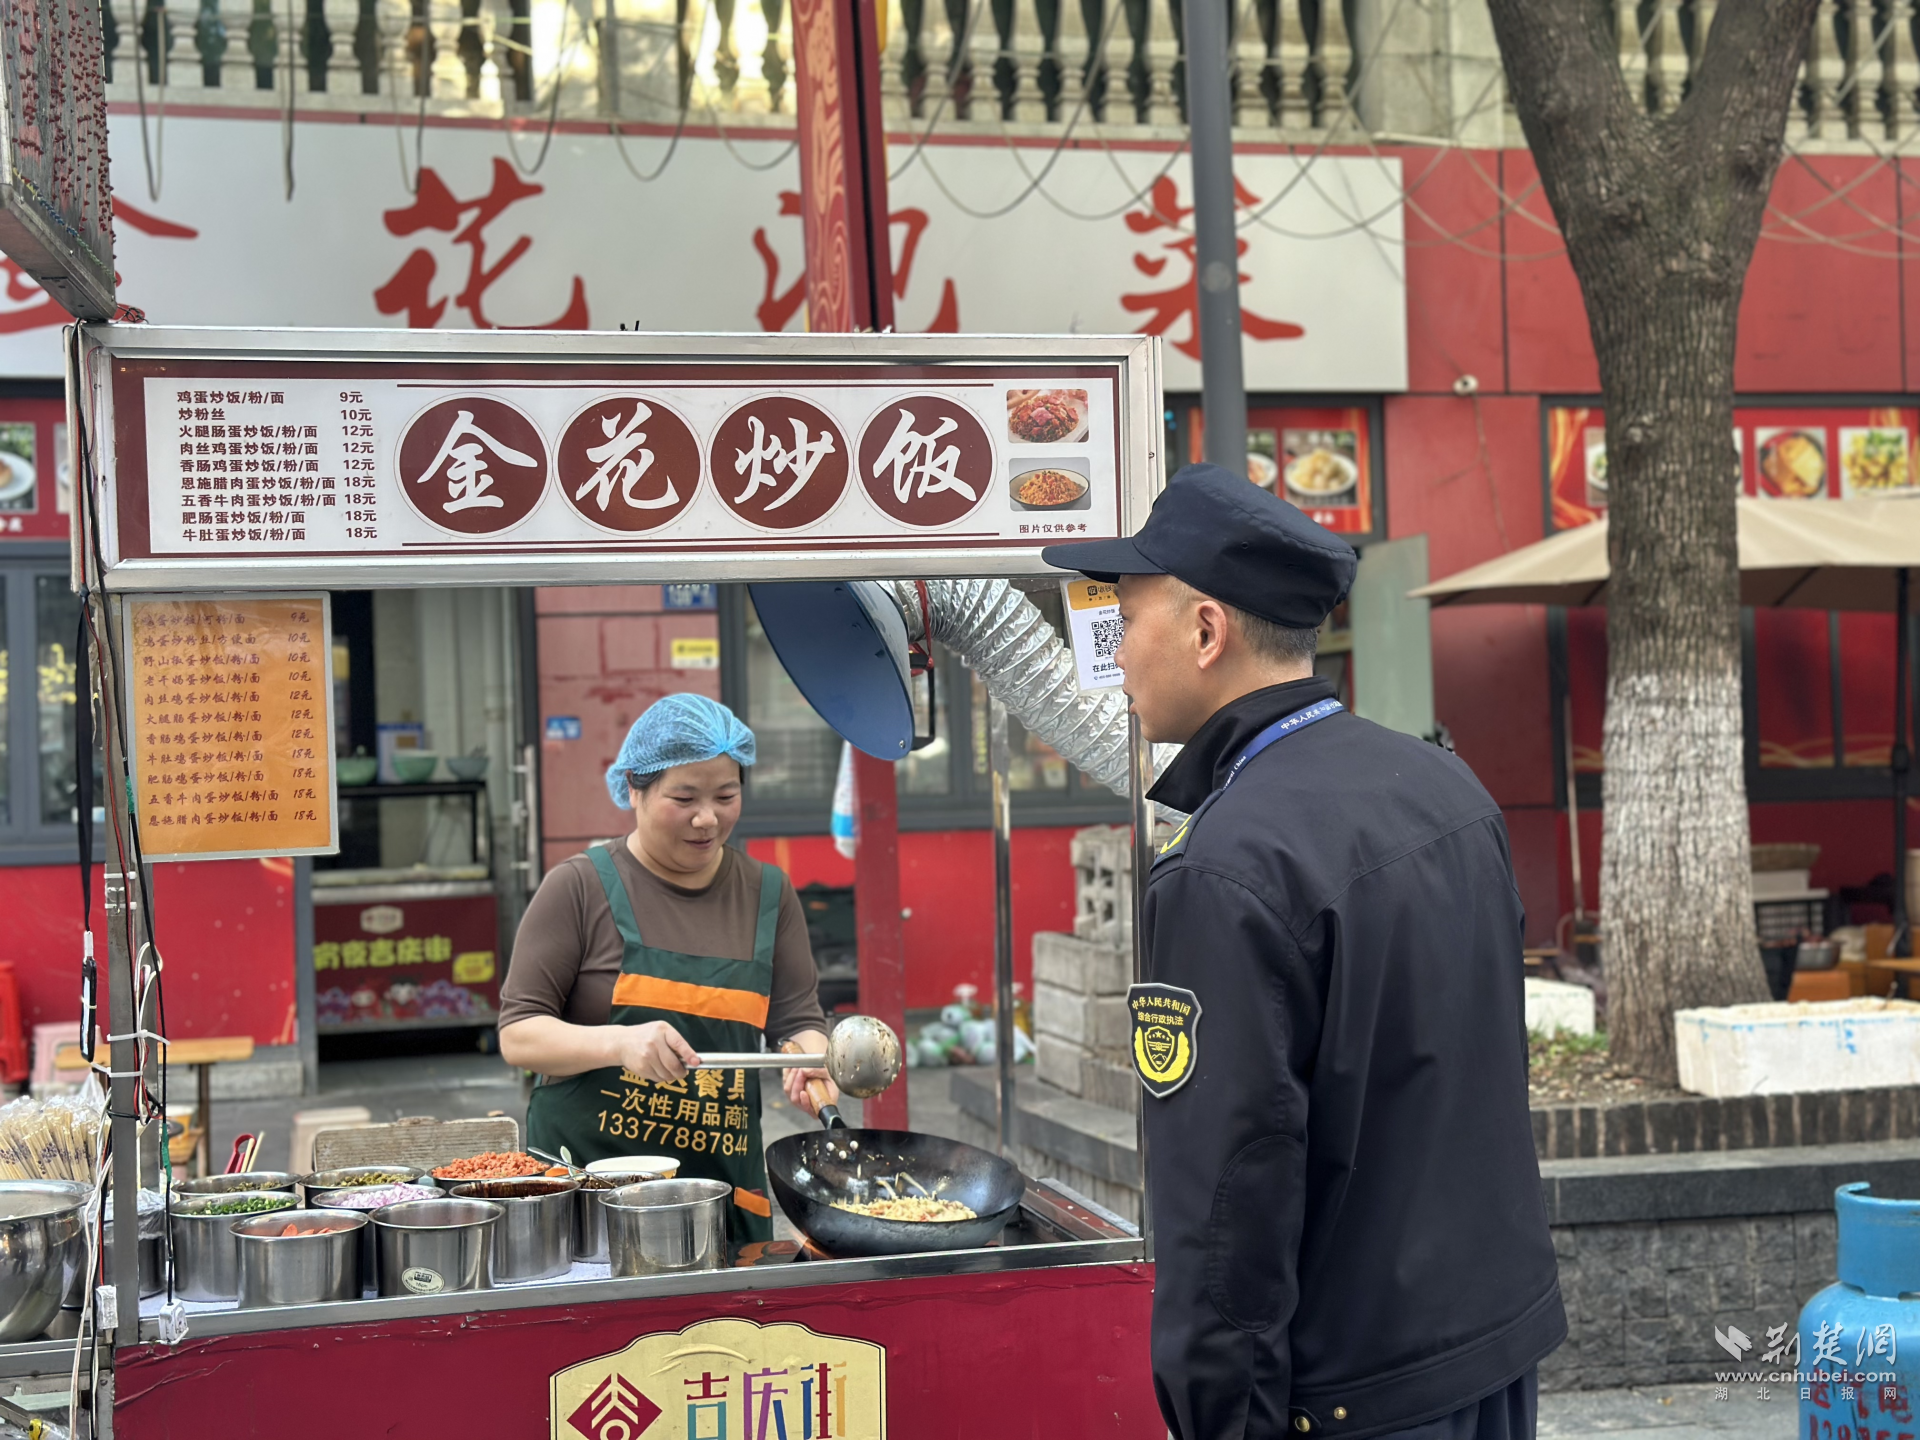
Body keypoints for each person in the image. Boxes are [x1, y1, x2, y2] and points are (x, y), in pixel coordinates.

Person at [1042, 464, 1565, 1440]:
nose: (1113, 657)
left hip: (1348, 1395)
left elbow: (1228, 1197)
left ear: (1206, 631)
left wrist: (1221, 1417)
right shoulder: (1447, 788)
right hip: (1491, 1350)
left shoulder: (1225, 865)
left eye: (1127, 617)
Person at [497, 693, 836, 1243]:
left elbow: (797, 1018)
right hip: (588, 1197)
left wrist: (810, 1060)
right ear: (634, 788)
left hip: (718, 1195)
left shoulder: (767, 893)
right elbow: (519, 1035)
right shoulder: (578, 887)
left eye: (726, 796)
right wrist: (619, 1043)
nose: (708, 818)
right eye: (684, 798)